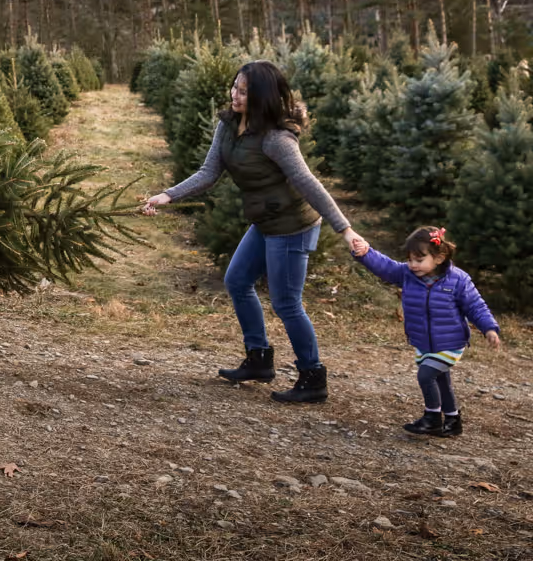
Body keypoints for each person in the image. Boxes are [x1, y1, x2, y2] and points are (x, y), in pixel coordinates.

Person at [142, 60, 365, 403]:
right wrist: (167, 195)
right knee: (237, 280)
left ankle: (312, 376)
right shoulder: (228, 125)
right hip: (265, 221)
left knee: (286, 302)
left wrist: (345, 229)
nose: (235, 94)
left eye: (244, 91)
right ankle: (259, 359)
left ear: (260, 96)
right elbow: (208, 172)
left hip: (292, 225)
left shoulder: (276, 139)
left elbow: (308, 182)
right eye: (234, 87)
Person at [351, 227, 501, 436]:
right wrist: (366, 252)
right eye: (410, 259)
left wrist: (489, 329)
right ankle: (452, 420)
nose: (413, 265)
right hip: (424, 342)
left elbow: (476, 306)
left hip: (450, 342)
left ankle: (432, 418)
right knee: (441, 380)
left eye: (419, 260)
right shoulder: (407, 274)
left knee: (426, 375)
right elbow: (385, 267)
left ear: (439, 258)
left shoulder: (458, 280)